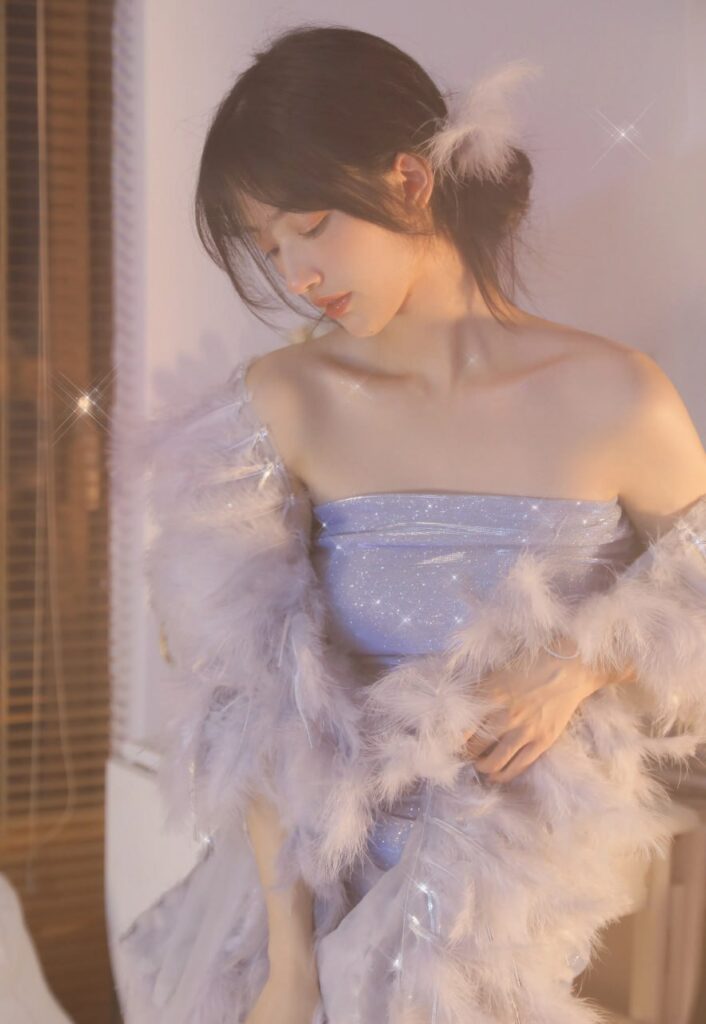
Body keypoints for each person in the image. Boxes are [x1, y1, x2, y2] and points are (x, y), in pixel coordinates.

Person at [116, 24, 706, 1024]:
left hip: (518, 922)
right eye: (270, 249)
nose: (295, 275)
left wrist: (580, 661)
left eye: (309, 226)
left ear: (408, 180)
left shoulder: (618, 397)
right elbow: (247, 706)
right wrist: (291, 971)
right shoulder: (283, 404)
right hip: (317, 916)